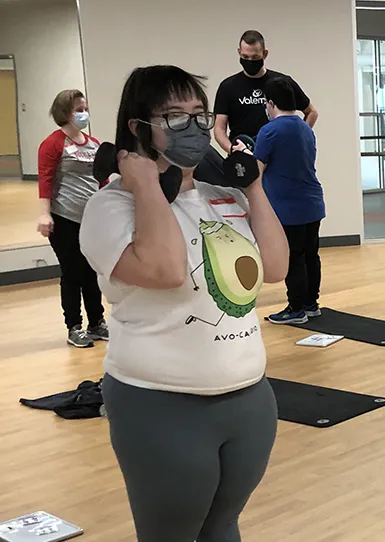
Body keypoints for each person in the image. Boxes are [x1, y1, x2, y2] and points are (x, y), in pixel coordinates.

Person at [78, 65, 289, 542]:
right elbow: (165, 270)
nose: (193, 127)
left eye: (199, 114)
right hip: (160, 403)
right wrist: (147, 185)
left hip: (249, 399)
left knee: (222, 528)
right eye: (174, 116)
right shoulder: (112, 208)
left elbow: (275, 269)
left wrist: (253, 187)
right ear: (138, 129)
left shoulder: (226, 196)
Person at [37, 89, 108, 348]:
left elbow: (101, 180)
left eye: (85, 108)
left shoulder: (94, 143)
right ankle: (74, 326)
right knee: (72, 272)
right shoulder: (53, 144)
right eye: (78, 109)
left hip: (91, 219)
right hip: (64, 217)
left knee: (91, 271)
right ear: (65, 112)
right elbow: (45, 179)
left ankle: (97, 322)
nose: (83, 113)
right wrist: (45, 214)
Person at [254, 75, 326, 324]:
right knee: (310, 255)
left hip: (288, 206)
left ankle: (295, 310)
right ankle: (310, 304)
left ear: (270, 103)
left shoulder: (269, 131)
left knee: (293, 257)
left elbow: (256, 171)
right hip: (313, 202)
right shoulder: (306, 127)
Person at [213, 30, 318, 153]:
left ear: (265, 54)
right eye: (245, 57)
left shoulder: (282, 82)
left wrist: (298, 138)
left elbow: (311, 112)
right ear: (239, 52)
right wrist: (233, 150)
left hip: (278, 155)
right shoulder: (227, 87)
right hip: (244, 158)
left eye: (255, 57)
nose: (250, 61)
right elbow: (219, 129)